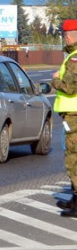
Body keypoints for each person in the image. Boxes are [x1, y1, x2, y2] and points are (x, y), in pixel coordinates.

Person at [52, 19, 77, 217]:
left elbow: (69, 88)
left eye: (65, 35)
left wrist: (55, 80)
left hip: (74, 116)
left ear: (69, 36)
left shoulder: (75, 58)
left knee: (73, 159)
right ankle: (74, 200)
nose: (64, 38)